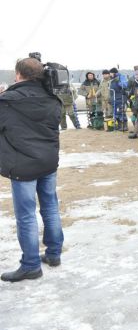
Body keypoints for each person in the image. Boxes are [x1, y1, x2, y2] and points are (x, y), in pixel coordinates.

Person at [0, 57, 64, 282]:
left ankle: (30, 265)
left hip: (23, 166)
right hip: (47, 162)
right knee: (50, 207)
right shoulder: (52, 98)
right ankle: (54, 253)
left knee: (26, 215)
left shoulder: (8, 101)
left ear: (18, 74)